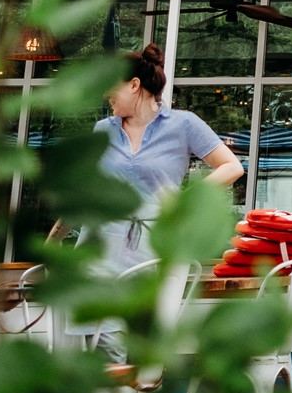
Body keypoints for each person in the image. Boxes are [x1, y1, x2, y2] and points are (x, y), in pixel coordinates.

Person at [95, 44, 245, 274]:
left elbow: (232, 167)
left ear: (134, 85)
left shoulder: (183, 124)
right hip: (100, 248)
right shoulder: (103, 130)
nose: (106, 94)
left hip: (154, 248)